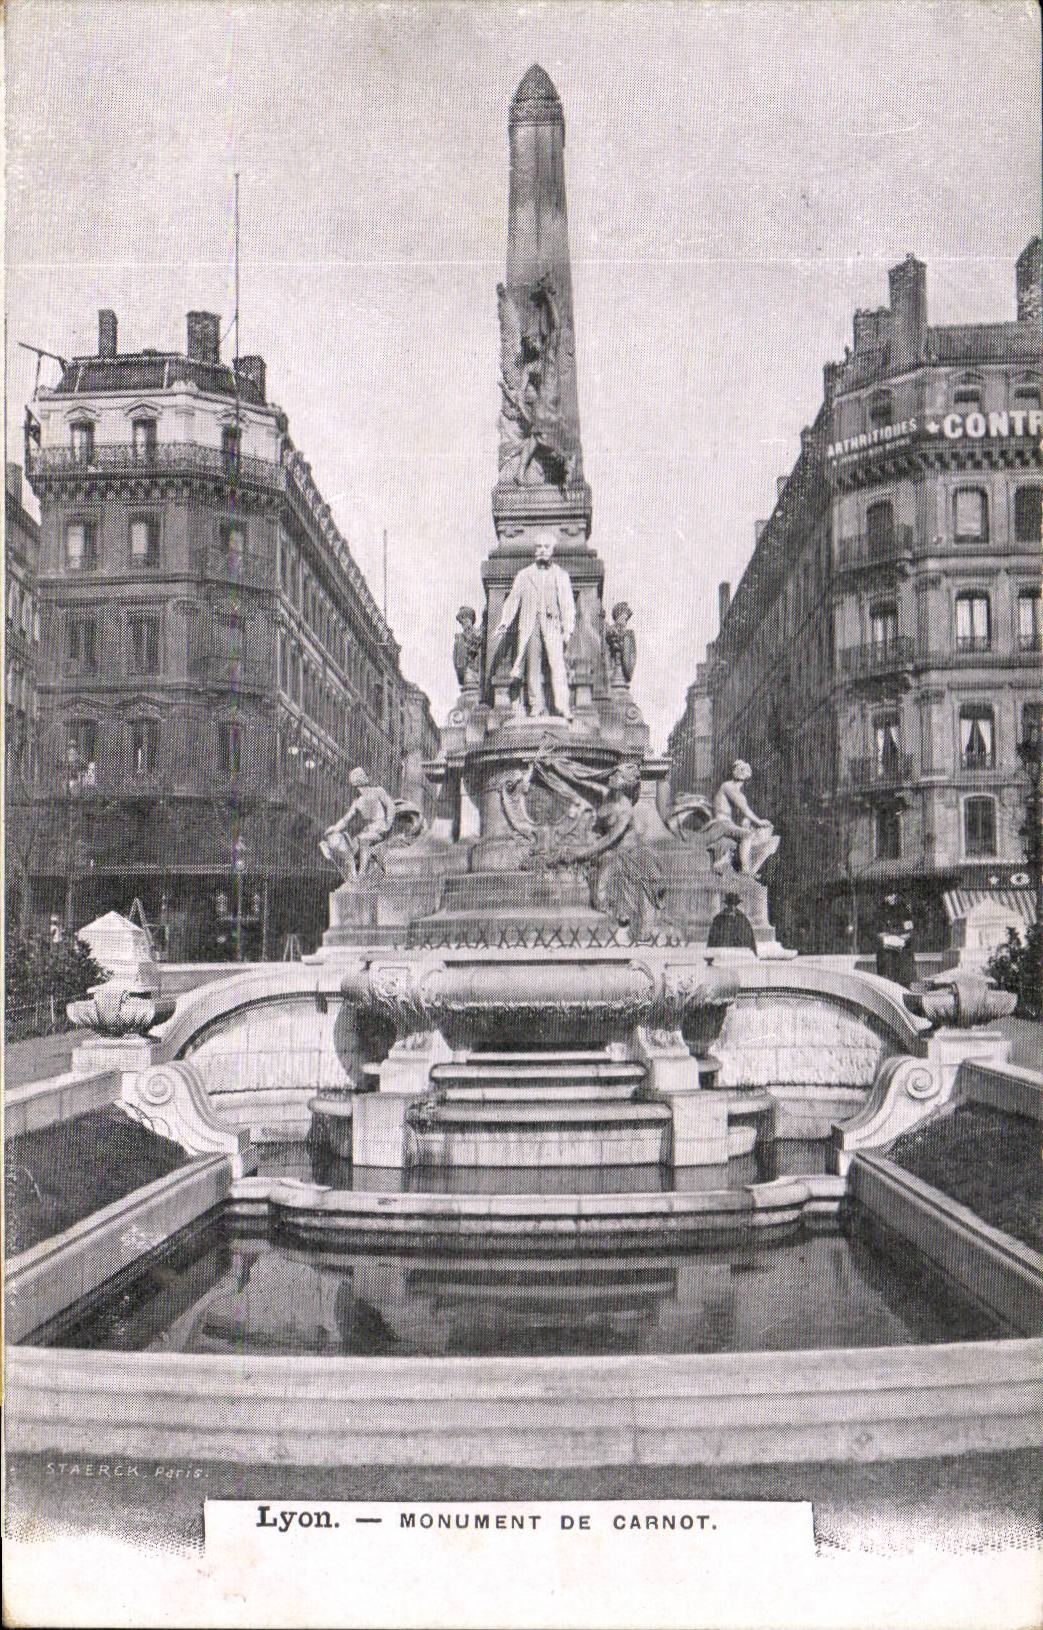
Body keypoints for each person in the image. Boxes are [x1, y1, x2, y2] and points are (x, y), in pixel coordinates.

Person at [492, 531, 576, 719]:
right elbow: (513, 600)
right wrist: (505, 622)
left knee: (557, 665)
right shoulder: (524, 575)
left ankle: (562, 706)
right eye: (538, 547)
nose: (542, 551)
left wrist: (568, 628)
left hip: (552, 624)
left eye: (546, 547)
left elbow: (568, 604)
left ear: (552, 550)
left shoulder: (560, 575)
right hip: (530, 625)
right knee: (532, 667)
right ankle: (536, 705)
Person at [703, 759, 779, 876]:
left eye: (741, 769)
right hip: (721, 824)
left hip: (727, 824)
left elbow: (745, 815)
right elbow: (745, 809)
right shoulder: (727, 786)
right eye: (739, 769)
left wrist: (748, 823)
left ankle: (739, 865)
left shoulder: (739, 794)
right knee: (747, 835)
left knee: (748, 831)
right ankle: (745, 870)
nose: (739, 771)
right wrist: (759, 822)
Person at [320, 769, 397, 883]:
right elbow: (346, 819)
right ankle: (356, 874)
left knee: (363, 840)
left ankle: (362, 874)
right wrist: (335, 828)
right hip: (370, 830)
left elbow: (391, 806)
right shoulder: (358, 802)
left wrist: (388, 824)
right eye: (358, 787)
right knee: (353, 845)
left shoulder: (378, 791)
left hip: (381, 828)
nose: (360, 789)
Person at [876, 893, 917, 987]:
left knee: (904, 985)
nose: (887, 897)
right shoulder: (881, 911)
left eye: (891, 895)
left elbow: (909, 932)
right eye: (886, 894)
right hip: (887, 959)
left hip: (902, 958)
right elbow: (878, 932)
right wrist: (884, 937)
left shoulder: (904, 910)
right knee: (887, 986)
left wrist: (900, 938)